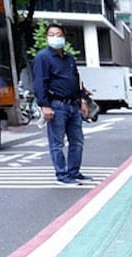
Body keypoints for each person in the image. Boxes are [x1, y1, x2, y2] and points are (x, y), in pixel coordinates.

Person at [32, 23, 91, 185]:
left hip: (73, 105)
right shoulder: (42, 57)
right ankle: (62, 174)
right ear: (46, 38)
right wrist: (44, 105)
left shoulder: (69, 58)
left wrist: (83, 100)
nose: (55, 38)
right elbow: (39, 83)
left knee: (77, 141)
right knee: (57, 143)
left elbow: (77, 79)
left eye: (58, 34)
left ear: (64, 37)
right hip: (56, 105)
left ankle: (74, 171)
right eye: (51, 34)